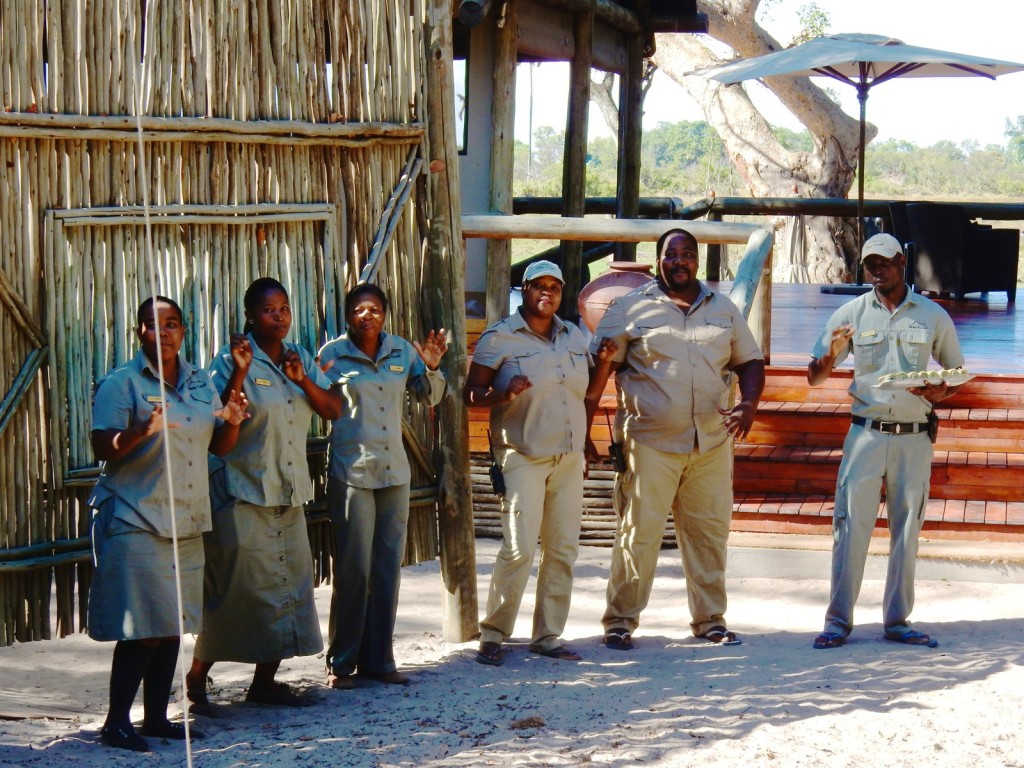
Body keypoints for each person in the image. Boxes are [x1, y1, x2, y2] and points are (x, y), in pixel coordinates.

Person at [584, 228, 765, 651]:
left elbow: (750, 361)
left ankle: (710, 620)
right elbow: (597, 371)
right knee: (638, 534)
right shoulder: (628, 308)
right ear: (658, 258)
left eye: (686, 254)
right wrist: (584, 432)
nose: (679, 261)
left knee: (708, 534)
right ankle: (620, 621)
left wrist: (751, 404)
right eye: (671, 254)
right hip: (649, 442)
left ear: (697, 260)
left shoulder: (723, 308)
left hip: (711, 443)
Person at [88, 295, 248, 752]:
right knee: (145, 627)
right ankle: (117, 721)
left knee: (173, 623)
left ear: (183, 329)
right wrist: (141, 431)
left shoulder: (199, 382)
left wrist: (233, 420)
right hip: (138, 513)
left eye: (174, 323)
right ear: (141, 332)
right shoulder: (122, 383)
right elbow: (102, 445)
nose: (167, 332)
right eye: (156, 325)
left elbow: (220, 445)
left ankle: (157, 718)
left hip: (187, 516)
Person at [186, 278, 342, 711]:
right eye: (269, 309)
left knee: (286, 587)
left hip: (287, 491)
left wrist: (301, 379)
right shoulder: (230, 360)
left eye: (285, 308)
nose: (279, 316)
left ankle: (263, 683)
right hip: (241, 490)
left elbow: (333, 409)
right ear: (251, 315)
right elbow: (219, 422)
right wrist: (239, 368)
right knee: (233, 591)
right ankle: (196, 680)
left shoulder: (299, 358)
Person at [809, 233, 965, 650]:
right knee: (849, 528)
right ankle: (837, 622)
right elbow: (815, 375)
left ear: (901, 262)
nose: (878, 269)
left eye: (885, 262)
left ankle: (898, 621)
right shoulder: (851, 313)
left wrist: (940, 392)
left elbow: (956, 373)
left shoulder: (932, 315)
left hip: (914, 439)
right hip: (867, 434)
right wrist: (832, 354)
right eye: (870, 264)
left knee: (907, 529)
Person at [464, 261, 617, 666]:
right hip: (522, 456)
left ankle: (547, 636)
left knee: (563, 549)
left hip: (567, 457)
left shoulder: (572, 335)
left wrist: (603, 363)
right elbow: (471, 393)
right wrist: (502, 395)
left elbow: (586, 396)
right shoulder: (500, 337)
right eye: (538, 286)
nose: (546, 293)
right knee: (518, 548)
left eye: (554, 287)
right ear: (524, 289)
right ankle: (494, 634)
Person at [318, 283, 448, 690]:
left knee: (388, 568)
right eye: (358, 310)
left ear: (385, 314)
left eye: (374, 309)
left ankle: (379, 660)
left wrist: (430, 367)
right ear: (348, 316)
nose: (367, 315)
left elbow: (429, 398)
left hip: (394, 474)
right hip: (351, 472)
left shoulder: (402, 352)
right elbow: (315, 401)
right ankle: (341, 664)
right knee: (354, 570)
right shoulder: (331, 356)